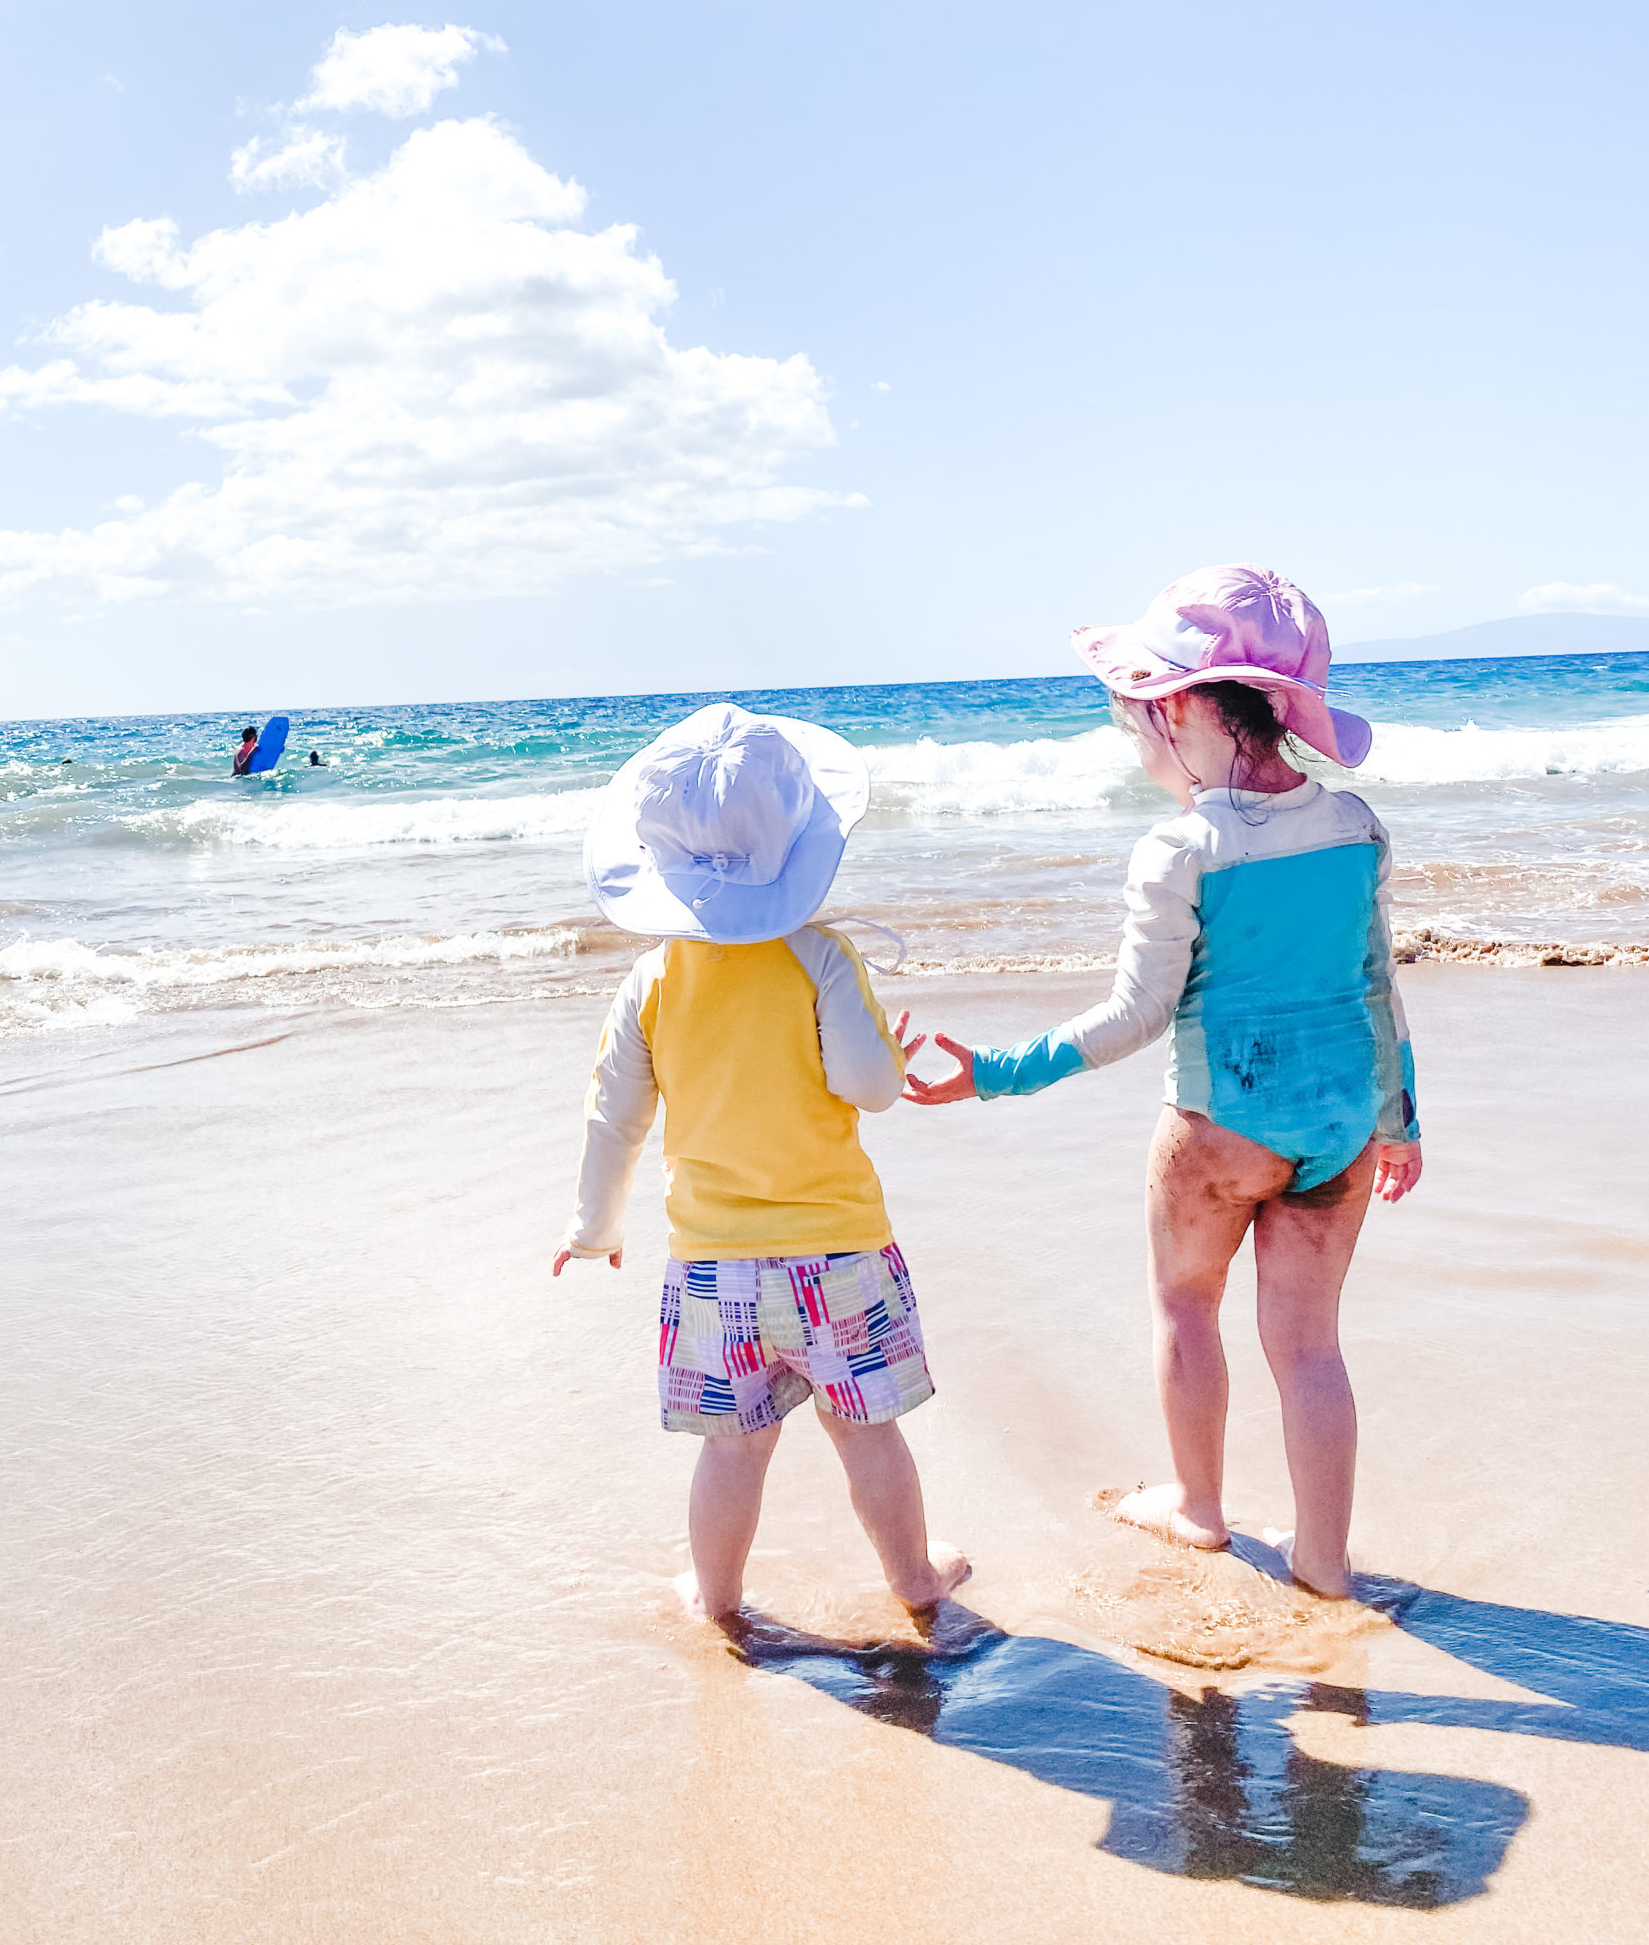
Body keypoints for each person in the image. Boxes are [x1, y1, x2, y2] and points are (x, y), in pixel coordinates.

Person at [904, 565, 1422, 1600]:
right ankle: (1325, 1561)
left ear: (1180, 704)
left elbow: (1137, 1017)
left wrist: (995, 1074)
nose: (1132, 741)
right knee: (1310, 1346)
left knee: (1187, 1303)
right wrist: (1401, 1119)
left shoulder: (1181, 848)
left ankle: (1198, 1507)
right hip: (1346, 1119)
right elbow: (1377, 985)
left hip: (1222, 1124)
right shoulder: (1357, 825)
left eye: (1132, 717)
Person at [555, 702, 970, 1624]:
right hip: (838, 1255)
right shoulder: (819, 956)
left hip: (712, 1266)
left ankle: (718, 1597)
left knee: (733, 1450)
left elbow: (614, 1115)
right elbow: (870, 1087)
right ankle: (914, 1580)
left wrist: (594, 1230)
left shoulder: (656, 977)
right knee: (867, 1434)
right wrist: (888, 1055)